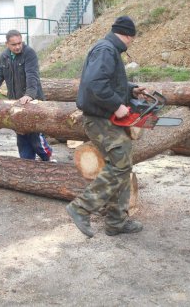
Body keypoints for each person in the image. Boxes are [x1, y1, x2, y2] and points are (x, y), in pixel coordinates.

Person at [66, 16, 146, 238]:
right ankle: (80, 208)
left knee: (122, 165)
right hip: (100, 119)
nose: (131, 43)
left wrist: (130, 91)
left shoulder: (109, 49)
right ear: (128, 35)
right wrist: (117, 105)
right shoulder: (106, 50)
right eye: (132, 39)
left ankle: (116, 221)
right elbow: (95, 85)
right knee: (120, 165)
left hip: (105, 118)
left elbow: (108, 81)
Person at [0, 29, 53, 161]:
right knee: (22, 137)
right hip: (16, 103)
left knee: (35, 137)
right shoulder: (4, 56)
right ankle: (27, 164)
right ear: (7, 44)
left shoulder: (29, 53)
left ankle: (48, 159)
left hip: (32, 101)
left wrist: (29, 94)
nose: (17, 46)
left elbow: (32, 75)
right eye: (14, 44)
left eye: (19, 43)